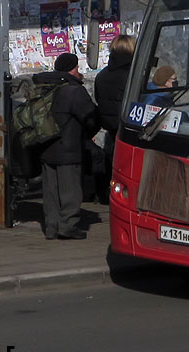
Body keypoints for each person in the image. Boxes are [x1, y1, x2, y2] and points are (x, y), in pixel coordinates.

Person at [34, 53, 100, 241]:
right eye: (77, 68)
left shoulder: (44, 87)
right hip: (69, 148)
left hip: (46, 145)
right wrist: (88, 134)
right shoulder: (73, 90)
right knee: (70, 190)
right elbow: (90, 117)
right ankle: (67, 226)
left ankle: (51, 227)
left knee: (50, 191)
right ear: (72, 68)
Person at [92, 34, 135, 204]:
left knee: (112, 160)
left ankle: (105, 192)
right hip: (128, 126)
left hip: (109, 125)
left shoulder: (102, 75)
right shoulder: (133, 75)